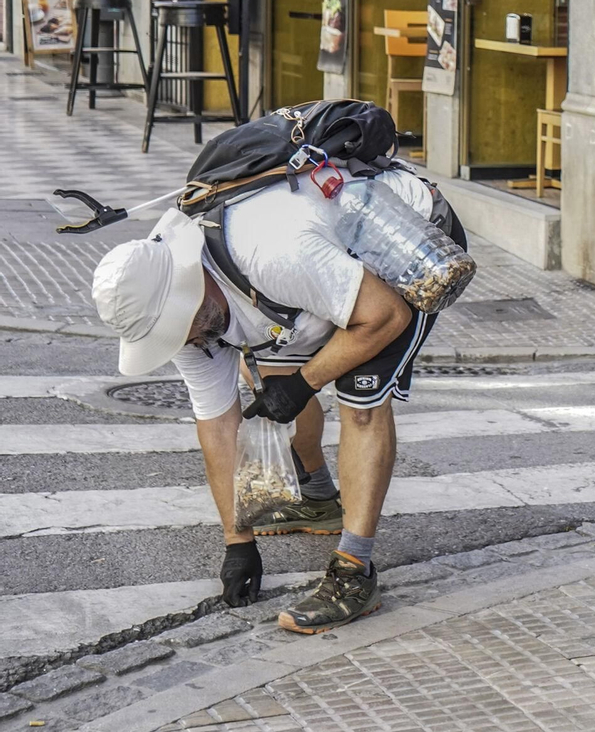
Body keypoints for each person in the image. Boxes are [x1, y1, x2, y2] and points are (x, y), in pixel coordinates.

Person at [91, 167, 464, 632]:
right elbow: (216, 423)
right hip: (316, 276)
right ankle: (318, 497)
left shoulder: (273, 255)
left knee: (360, 405)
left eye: (171, 330)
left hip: (396, 243)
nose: (173, 342)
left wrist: (306, 382)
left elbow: (385, 315)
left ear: (188, 295)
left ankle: (355, 573)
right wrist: (237, 543)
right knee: (266, 380)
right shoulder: (180, 315)